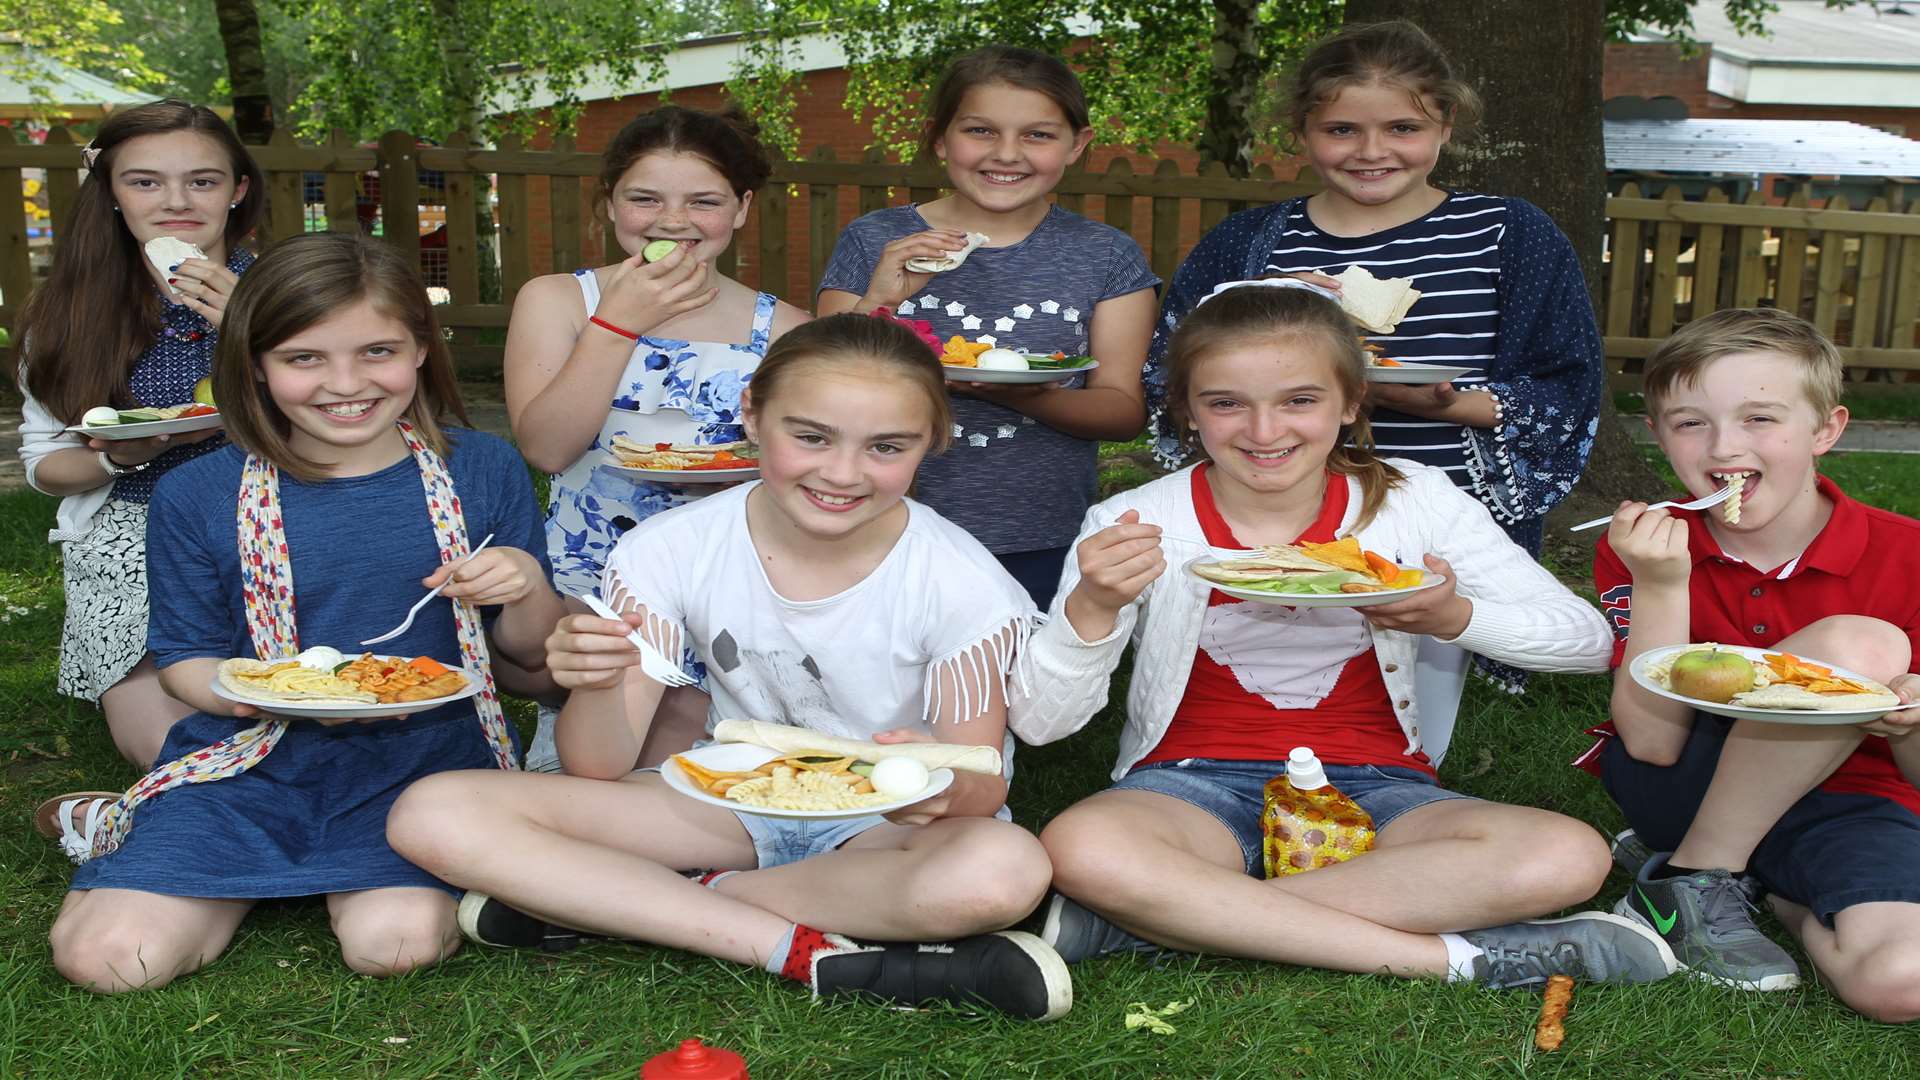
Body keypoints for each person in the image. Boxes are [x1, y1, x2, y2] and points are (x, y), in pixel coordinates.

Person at [388, 314, 1071, 1021]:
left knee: (1004, 871)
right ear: (752, 414)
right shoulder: (669, 547)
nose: (841, 473)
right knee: (432, 813)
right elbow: (598, 763)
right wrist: (595, 680)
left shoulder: (965, 582)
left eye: (886, 447)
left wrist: (934, 785)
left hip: (884, 826)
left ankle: (639, 901)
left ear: (933, 443)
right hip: (724, 801)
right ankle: (796, 947)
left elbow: (977, 790)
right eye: (810, 436)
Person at [1011, 282, 1676, 991]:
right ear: (1186, 410)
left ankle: (1156, 924)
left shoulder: (1415, 500)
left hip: (1380, 788)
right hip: (1188, 787)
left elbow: (1583, 640)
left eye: (1300, 400)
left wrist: (1455, 620)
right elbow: (1044, 724)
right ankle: (1462, 960)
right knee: (1082, 846)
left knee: (1568, 855)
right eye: (1226, 402)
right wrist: (1092, 607)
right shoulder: (1139, 519)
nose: (1265, 433)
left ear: (1352, 401)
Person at [42, 233, 564, 993]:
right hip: (247, 758)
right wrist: (279, 694)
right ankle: (174, 837)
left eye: (377, 351)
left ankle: (263, 871)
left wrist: (525, 587)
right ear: (254, 362)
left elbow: (525, 662)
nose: (344, 384)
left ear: (421, 348)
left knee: (397, 945)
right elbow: (184, 658)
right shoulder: (196, 494)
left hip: (422, 766)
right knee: (112, 959)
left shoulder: (479, 469)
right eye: (304, 358)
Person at [1139, 21, 1606, 754]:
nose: (1372, 150)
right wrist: (1253, 304)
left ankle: (1404, 777)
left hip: (1442, 516)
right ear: (1302, 131)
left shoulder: (1509, 234)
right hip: (1278, 501)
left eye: (1403, 126)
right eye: (1341, 129)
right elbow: (1172, 363)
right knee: (1277, 672)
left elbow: (1566, 387)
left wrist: (1447, 401)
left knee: (1411, 686)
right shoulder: (1251, 241)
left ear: (1445, 124)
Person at [1589, 308, 1920, 1021]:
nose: (1724, 447)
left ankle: (1772, 891)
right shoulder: (1649, 544)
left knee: (1901, 982)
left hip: (1858, 801)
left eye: (1760, 418)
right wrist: (1662, 584)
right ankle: (1693, 878)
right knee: (1862, 648)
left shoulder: (1909, 554)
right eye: (1690, 422)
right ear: (1657, 435)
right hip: (1688, 780)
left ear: (1827, 430)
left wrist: (1911, 723)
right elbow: (1652, 740)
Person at [505, 105, 810, 774]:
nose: (673, 222)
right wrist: (619, 323)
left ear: (741, 209)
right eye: (645, 198)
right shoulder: (558, 301)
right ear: (610, 205)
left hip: (730, 585)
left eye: (704, 201)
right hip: (595, 583)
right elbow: (548, 449)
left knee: (722, 770)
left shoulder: (784, 328)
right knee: (594, 768)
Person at [816, 44, 1159, 608]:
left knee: (1022, 690)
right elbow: (821, 387)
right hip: (878, 525)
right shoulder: (876, 240)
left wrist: (1019, 397)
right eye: (980, 130)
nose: (1007, 154)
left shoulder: (1104, 255)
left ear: (1077, 144)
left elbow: (1122, 411)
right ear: (940, 138)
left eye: (1038, 135)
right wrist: (881, 297)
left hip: (1039, 533)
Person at [16, 100, 263, 768]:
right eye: (145, 180)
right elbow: (46, 464)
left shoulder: (287, 293)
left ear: (237, 191)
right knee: (168, 747)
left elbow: (365, 422)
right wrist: (121, 459)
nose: (176, 201)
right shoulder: (69, 313)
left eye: (203, 181)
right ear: (113, 193)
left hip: (279, 517)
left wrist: (257, 329)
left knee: (305, 710)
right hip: (132, 531)